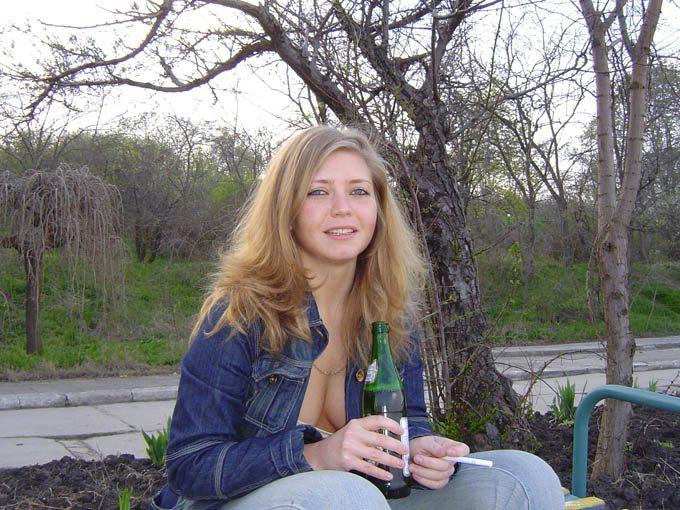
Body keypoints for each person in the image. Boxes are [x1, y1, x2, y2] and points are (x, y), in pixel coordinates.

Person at [151, 125, 564, 510]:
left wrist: (419, 449)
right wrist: (317, 454)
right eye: (318, 192)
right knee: (347, 496)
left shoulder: (390, 314)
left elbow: (410, 419)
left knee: (525, 478)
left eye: (359, 192)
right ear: (287, 211)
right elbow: (190, 464)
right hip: (246, 500)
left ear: (379, 209)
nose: (342, 209)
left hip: (366, 497)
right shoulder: (240, 314)